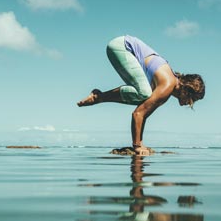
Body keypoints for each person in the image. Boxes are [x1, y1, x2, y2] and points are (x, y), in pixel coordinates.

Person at [77, 35, 205, 155]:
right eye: (192, 99)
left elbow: (143, 115)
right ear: (187, 90)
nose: (190, 103)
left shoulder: (167, 85)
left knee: (144, 97)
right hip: (121, 47)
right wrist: (137, 146)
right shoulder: (167, 85)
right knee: (144, 94)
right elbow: (138, 114)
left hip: (121, 46)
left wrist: (141, 144)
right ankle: (99, 97)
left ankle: (99, 97)